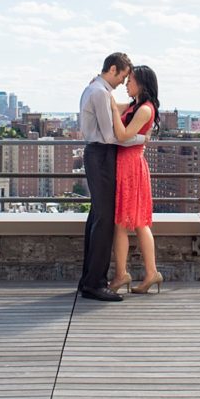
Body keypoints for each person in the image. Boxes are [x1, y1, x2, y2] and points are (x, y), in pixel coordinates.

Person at [78, 54, 146, 302]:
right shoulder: (100, 93)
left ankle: (88, 280)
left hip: (97, 155)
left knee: (97, 217)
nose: (123, 82)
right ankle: (95, 284)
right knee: (105, 219)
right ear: (114, 69)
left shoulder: (95, 89)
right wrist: (141, 139)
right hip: (101, 155)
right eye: (123, 76)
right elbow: (110, 135)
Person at [109, 65, 163, 295]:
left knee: (123, 223)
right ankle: (150, 273)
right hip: (129, 165)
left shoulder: (144, 110)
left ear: (141, 83)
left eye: (130, 80)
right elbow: (114, 105)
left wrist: (112, 110)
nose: (126, 84)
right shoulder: (136, 105)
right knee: (138, 223)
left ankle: (123, 275)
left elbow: (122, 135)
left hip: (130, 167)